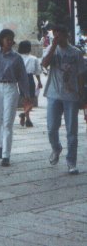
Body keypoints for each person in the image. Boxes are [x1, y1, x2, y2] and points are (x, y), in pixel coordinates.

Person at [41, 24, 86, 174]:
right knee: (51, 127)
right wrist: (53, 47)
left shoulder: (76, 53)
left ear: (66, 35)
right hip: (54, 93)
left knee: (72, 130)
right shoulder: (51, 50)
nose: (57, 37)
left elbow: (81, 74)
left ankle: (71, 162)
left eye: (59, 34)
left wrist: (81, 95)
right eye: (55, 34)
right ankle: (56, 147)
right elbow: (44, 64)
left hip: (71, 95)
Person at [0, 28, 31, 166]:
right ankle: (1, 144)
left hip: (11, 87)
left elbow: (22, 77)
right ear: (1, 40)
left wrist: (26, 95)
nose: (9, 42)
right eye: (7, 39)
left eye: (11, 39)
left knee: (8, 122)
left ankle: (6, 156)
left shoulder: (16, 57)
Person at [17, 40, 42, 128]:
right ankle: (24, 114)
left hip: (20, 79)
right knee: (32, 99)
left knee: (25, 99)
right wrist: (39, 81)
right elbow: (37, 72)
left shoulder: (17, 57)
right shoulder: (33, 58)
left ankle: (27, 118)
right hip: (29, 78)